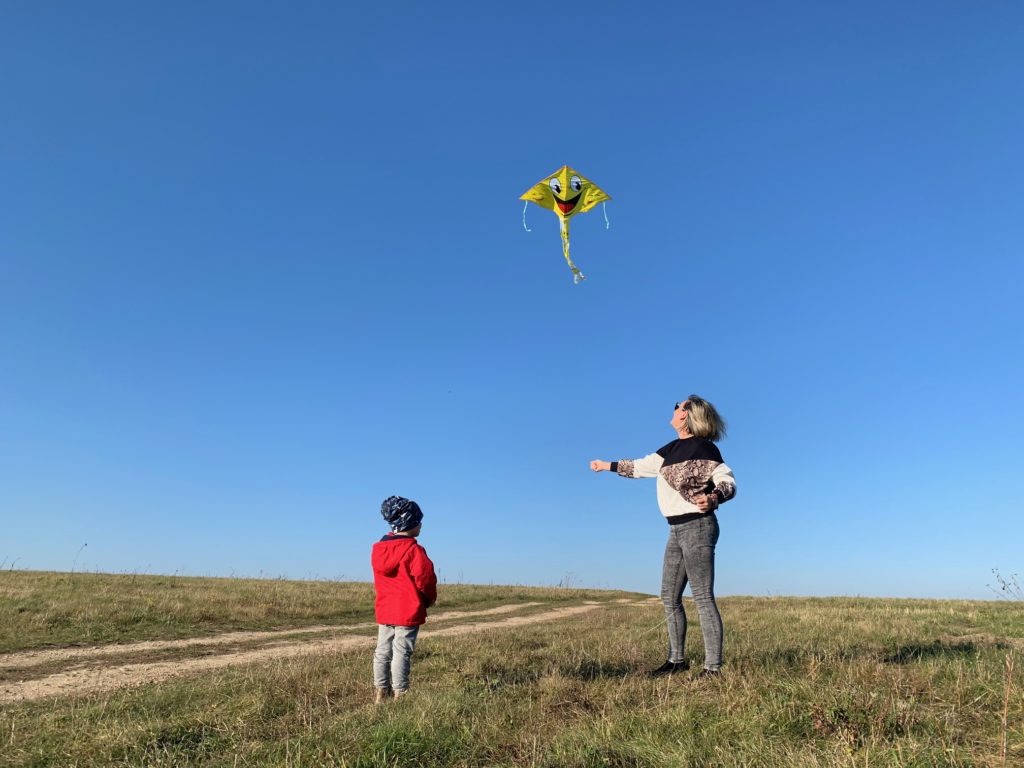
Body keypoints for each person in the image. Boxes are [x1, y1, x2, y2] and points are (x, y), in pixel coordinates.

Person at [590, 395, 736, 679]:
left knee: (702, 597)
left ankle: (713, 668)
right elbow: (639, 467)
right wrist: (605, 465)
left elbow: (728, 481)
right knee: (669, 597)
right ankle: (676, 661)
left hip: (699, 526)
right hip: (675, 529)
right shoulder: (669, 449)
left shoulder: (706, 449)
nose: (673, 409)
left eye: (677, 406)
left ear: (687, 415)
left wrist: (714, 497)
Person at [371, 495, 437, 703]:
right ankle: (400, 693)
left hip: (385, 608)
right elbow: (425, 579)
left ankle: (381, 691)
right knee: (401, 652)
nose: (421, 525)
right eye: (418, 521)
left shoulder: (378, 549)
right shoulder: (413, 550)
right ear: (410, 522)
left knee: (382, 651)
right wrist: (429, 599)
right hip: (407, 610)